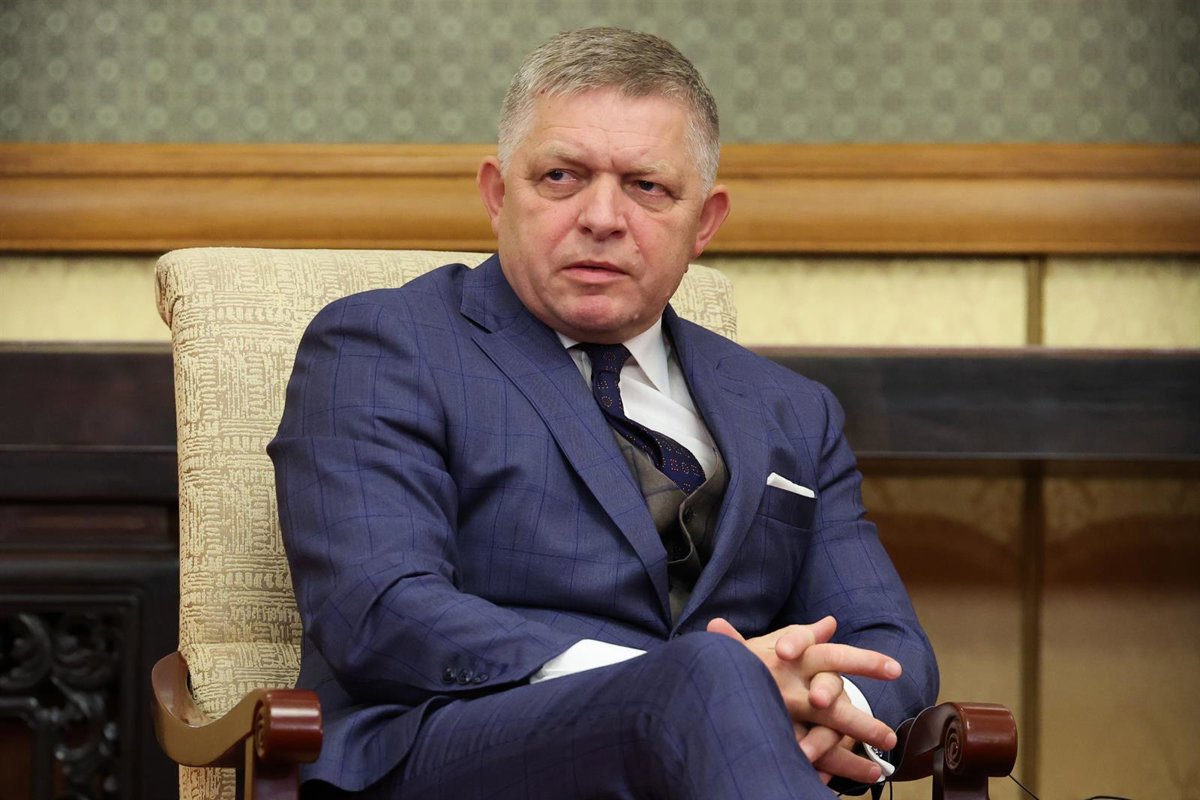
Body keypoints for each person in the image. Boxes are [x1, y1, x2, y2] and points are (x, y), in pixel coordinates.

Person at [269, 27, 937, 800]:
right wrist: (704, 687)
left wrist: (826, 707)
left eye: (647, 186)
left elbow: (891, 645)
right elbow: (378, 609)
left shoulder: (791, 410)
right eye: (562, 177)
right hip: (458, 751)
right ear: (497, 194)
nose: (602, 217)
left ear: (706, 222)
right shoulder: (386, 345)